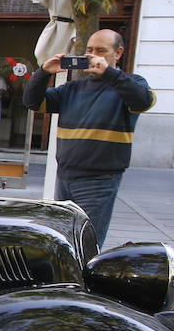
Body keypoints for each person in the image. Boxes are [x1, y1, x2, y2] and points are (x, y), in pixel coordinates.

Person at [23, 29, 155, 246]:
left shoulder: (131, 83)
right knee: (63, 242)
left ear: (118, 53)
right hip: (65, 176)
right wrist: (44, 72)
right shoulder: (72, 88)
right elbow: (32, 102)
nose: (93, 55)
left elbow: (143, 101)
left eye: (101, 50)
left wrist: (109, 74)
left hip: (99, 181)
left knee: (86, 244)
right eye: (89, 50)